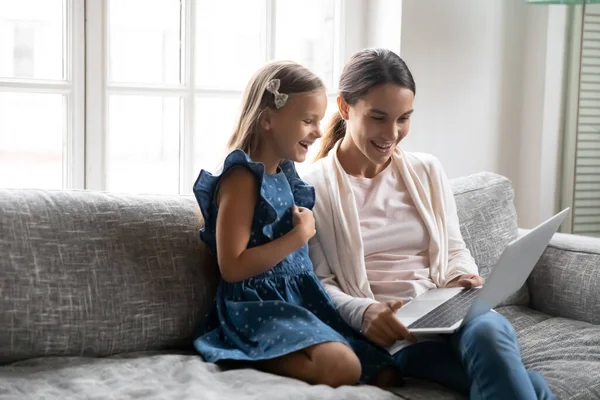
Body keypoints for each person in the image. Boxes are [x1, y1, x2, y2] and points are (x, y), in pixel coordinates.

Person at [303, 48, 556, 399]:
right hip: (401, 338)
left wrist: (460, 276)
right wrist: (364, 313)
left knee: (487, 332)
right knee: (529, 387)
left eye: (403, 118)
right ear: (345, 108)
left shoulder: (426, 170)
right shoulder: (313, 188)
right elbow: (318, 282)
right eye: (378, 117)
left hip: (454, 313)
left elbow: (454, 248)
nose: (392, 133)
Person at [192, 60, 394, 388]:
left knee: (386, 370)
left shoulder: (284, 174)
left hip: (299, 297)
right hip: (258, 306)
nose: (318, 131)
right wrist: (299, 235)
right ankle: (245, 352)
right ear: (268, 120)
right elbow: (232, 266)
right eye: (308, 121)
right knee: (344, 367)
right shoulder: (242, 179)